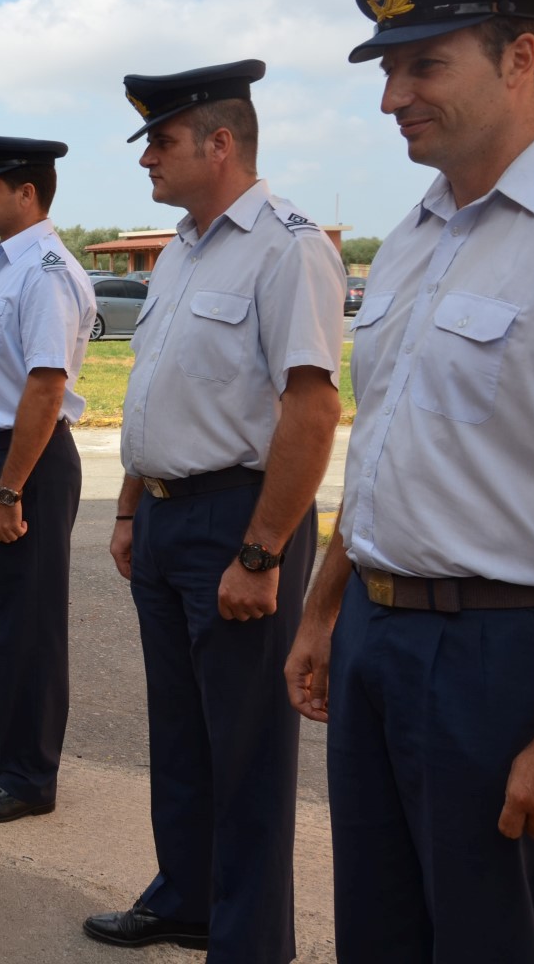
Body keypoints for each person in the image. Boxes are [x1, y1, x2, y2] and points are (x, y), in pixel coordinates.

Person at [283, 0, 534, 963]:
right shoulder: (409, 236)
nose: (390, 97)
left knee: (497, 941)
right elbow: (385, 441)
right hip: (374, 633)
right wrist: (325, 609)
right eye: (387, 69)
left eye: (423, 65)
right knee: (378, 932)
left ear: (520, 57)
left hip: (504, 655)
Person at [83, 62, 345, 962]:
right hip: (164, 518)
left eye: (160, 141)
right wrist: (129, 508)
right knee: (181, 734)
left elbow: (310, 409)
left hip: (238, 519)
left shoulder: (287, 247)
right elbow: (156, 390)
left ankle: (248, 943)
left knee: (245, 752)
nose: (146, 159)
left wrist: (261, 553)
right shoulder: (181, 249)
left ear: (219, 143)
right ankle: (186, 897)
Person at [0, 135, 94, 825]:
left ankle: (30, 776)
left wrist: (9, 489)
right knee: (1, 617)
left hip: (29, 459)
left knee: (30, 625)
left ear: (27, 194)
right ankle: (0, 747)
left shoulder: (47, 272)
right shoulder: (5, 261)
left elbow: (46, 386)